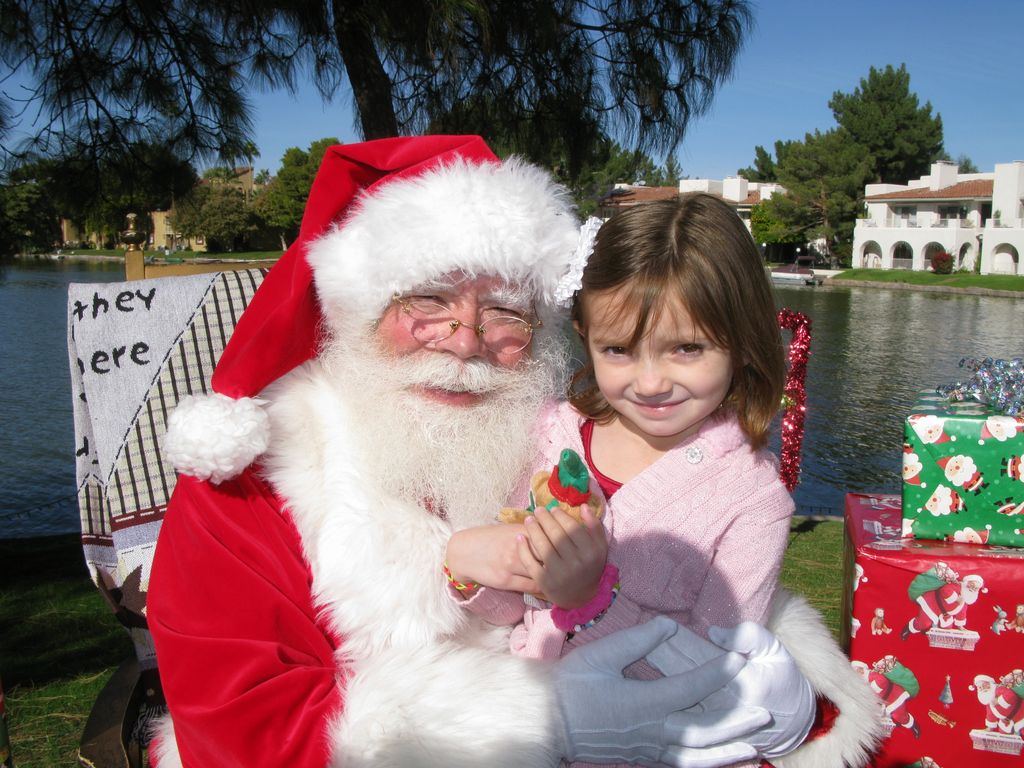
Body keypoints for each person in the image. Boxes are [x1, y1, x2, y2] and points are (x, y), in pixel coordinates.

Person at [147, 136, 881, 767]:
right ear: (358, 306)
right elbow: (246, 733)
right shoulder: (251, 483)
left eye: (504, 310)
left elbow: (691, 576)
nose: (467, 341)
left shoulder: (532, 432)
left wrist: (803, 695)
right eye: (427, 300)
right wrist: (535, 721)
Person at [445, 195, 882, 766]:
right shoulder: (550, 436)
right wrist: (473, 571)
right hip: (530, 727)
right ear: (584, 334)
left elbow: (709, 678)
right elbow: (514, 613)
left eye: (687, 348)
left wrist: (589, 601)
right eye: (619, 349)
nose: (651, 382)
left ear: (743, 340)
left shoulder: (752, 499)